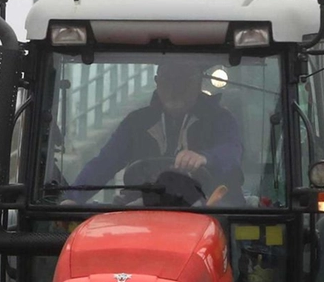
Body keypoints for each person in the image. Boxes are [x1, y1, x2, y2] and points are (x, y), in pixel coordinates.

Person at [69, 59, 243, 199]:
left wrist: (205, 158)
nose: (175, 88)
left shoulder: (220, 119)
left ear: (199, 83)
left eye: (184, 79)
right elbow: (104, 163)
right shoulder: (136, 123)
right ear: (157, 82)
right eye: (167, 79)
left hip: (211, 211)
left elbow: (231, 153)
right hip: (145, 214)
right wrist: (72, 198)